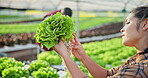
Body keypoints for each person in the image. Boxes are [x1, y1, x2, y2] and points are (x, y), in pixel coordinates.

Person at [53, 6, 148, 78]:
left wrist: (65, 56)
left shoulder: (140, 69)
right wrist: (82, 56)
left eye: (128, 23)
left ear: (145, 24)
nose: (122, 29)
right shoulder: (138, 58)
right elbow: (107, 74)